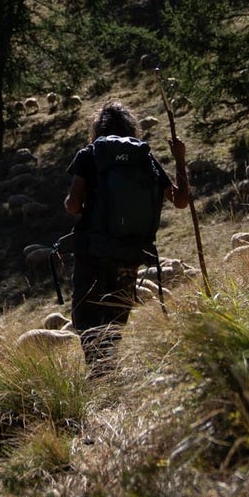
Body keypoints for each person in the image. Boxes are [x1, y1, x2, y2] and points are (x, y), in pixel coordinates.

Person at [61, 100, 191, 367]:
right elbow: (180, 200)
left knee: (87, 319)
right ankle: (109, 374)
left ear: (97, 129)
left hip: (93, 253)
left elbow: (74, 206)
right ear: (132, 128)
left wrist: (78, 203)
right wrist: (179, 158)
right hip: (130, 254)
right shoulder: (143, 157)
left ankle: (100, 377)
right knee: (115, 319)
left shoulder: (89, 155)